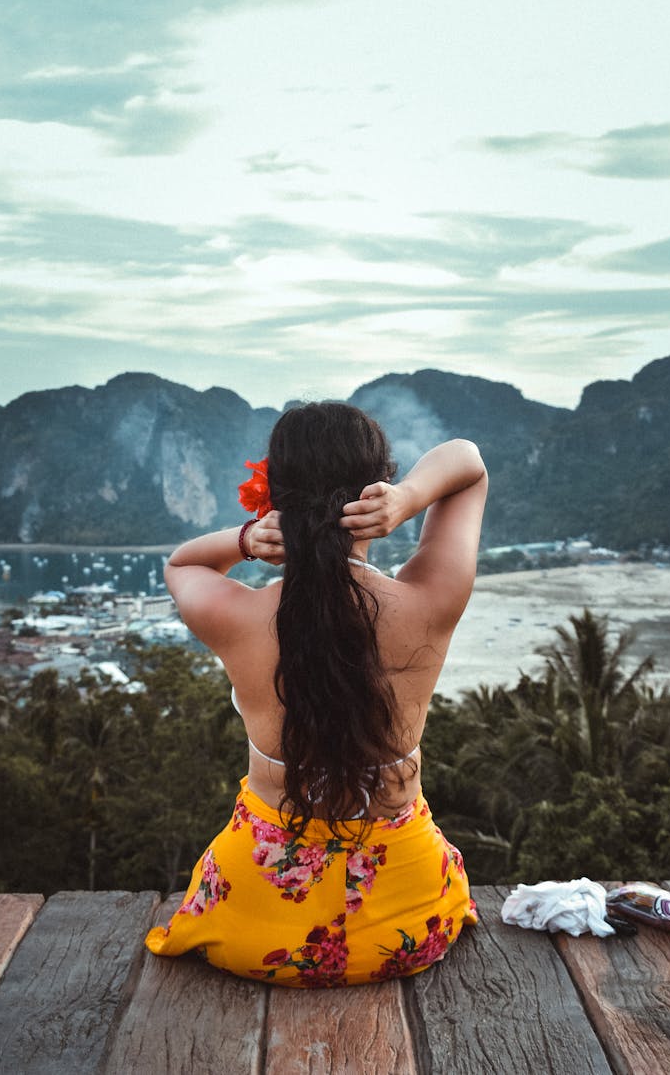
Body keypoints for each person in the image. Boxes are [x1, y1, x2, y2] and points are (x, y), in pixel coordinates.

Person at [145, 401, 488, 986]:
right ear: (374, 490)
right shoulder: (431, 603)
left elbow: (180, 564)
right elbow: (468, 462)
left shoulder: (238, 617)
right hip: (407, 920)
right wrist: (407, 499)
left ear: (272, 499)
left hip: (259, 926)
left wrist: (249, 539)